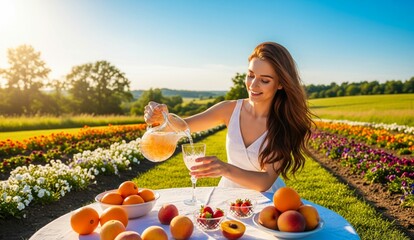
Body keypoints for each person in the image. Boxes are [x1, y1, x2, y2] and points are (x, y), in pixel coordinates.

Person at [144, 42, 314, 192]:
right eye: (251, 75)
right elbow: (183, 126)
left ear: (280, 84)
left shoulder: (284, 124)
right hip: (228, 195)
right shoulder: (229, 109)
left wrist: (225, 169)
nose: (253, 85)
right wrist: (161, 116)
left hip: (267, 200)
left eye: (265, 80)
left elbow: (265, 181)